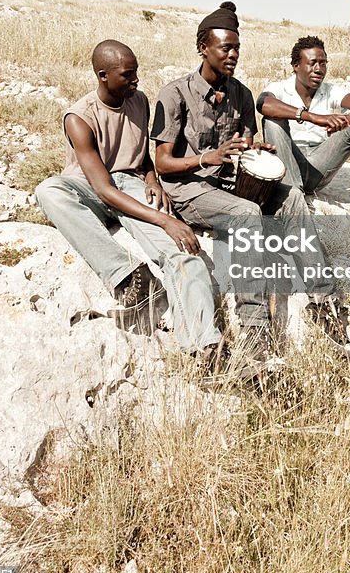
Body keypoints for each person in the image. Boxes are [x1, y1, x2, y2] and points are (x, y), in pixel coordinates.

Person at [151, 2, 350, 355]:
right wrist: (206, 158)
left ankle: (324, 300)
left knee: (290, 198)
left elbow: (242, 151)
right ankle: (255, 327)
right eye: (225, 48)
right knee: (247, 213)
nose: (233, 55)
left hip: (230, 185)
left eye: (237, 48)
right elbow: (163, 164)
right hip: (188, 189)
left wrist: (254, 150)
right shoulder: (175, 94)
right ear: (203, 48)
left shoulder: (241, 94)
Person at [36, 40, 222, 358]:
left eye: (136, 73)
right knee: (49, 190)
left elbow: (141, 155)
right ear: (103, 75)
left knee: (184, 254)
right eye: (127, 75)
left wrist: (152, 180)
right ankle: (128, 276)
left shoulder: (139, 101)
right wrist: (165, 220)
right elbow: (104, 189)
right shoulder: (78, 117)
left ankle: (204, 347)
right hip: (91, 186)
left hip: (133, 184)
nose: (135, 81)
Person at [257, 35, 350, 255]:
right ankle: (294, 203)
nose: (319, 69)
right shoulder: (280, 88)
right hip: (288, 166)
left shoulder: (330, 90)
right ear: (296, 66)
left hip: (318, 165)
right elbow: (263, 104)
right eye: (312, 63)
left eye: (323, 63)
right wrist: (312, 117)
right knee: (272, 120)